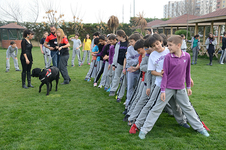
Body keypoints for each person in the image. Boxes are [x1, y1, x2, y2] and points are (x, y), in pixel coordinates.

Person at [138, 35, 209, 139]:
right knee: (156, 108)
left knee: (188, 108)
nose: (168, 47)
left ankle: (200, 128)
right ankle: (144, 130)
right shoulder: (168, 57)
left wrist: (188, 87)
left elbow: (187, 72)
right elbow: (165, 75)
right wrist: (163, 91)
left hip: (181, 88)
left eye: (170, 45)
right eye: (168, 45)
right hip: (167, 88)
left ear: (178, 45)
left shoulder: (187, 56)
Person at [109, 30, 128, 97]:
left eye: (117, 36)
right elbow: (115, 54)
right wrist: (114, 64)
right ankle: (113, 90)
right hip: (119, 63)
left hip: (126, 64)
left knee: (123, 79)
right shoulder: (118, 44)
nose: (116, 37)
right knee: (116, 77)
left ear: (121, 36)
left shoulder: (128, 43)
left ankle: (120, 92)